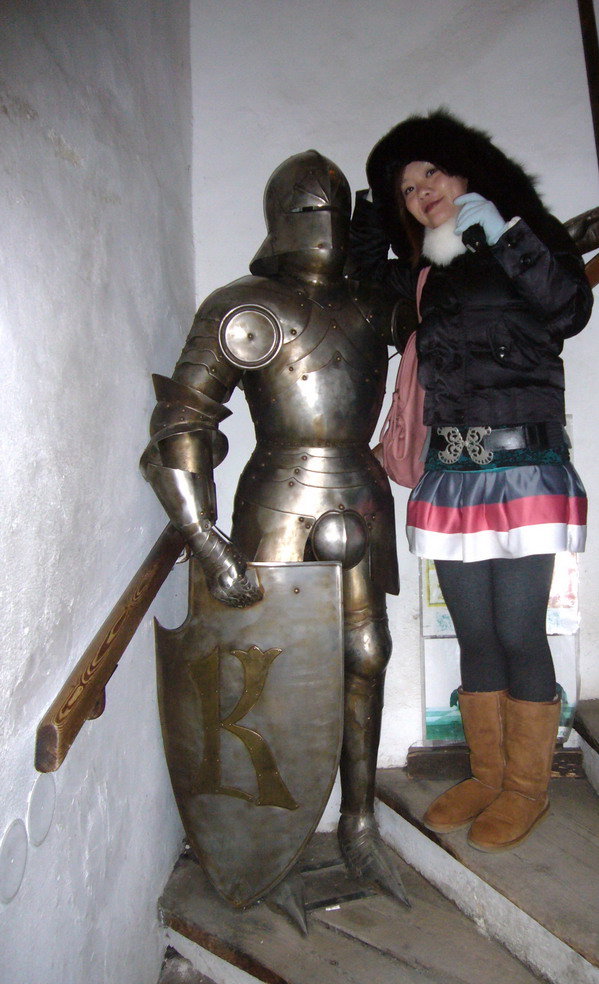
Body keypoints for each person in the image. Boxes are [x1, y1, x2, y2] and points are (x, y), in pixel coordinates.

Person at [141, 151, 407, 915]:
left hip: (358, 489)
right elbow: (182, 422)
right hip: (280, 494)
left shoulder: (369, 304)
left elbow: (453, 301)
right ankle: (275, 848)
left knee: (367, 653)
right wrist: (201, 535)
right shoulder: (244, 306)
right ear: (284, 222)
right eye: (312, 214)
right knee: (271, 668)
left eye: (336, 216)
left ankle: (360, 825)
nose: (325, 231)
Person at [348, 110, 592, 852]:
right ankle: (488, 775)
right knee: (476, 634)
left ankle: (527, 788)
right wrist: (367, 219)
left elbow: (569, 309)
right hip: (454, 470)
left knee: (519, 630)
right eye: (407, 187)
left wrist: (502, 233)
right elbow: (368, 291)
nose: (423, 191)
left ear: (467, 171)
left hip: (524, 465)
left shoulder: (523, 238)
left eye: (433, 174)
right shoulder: (427, 273)